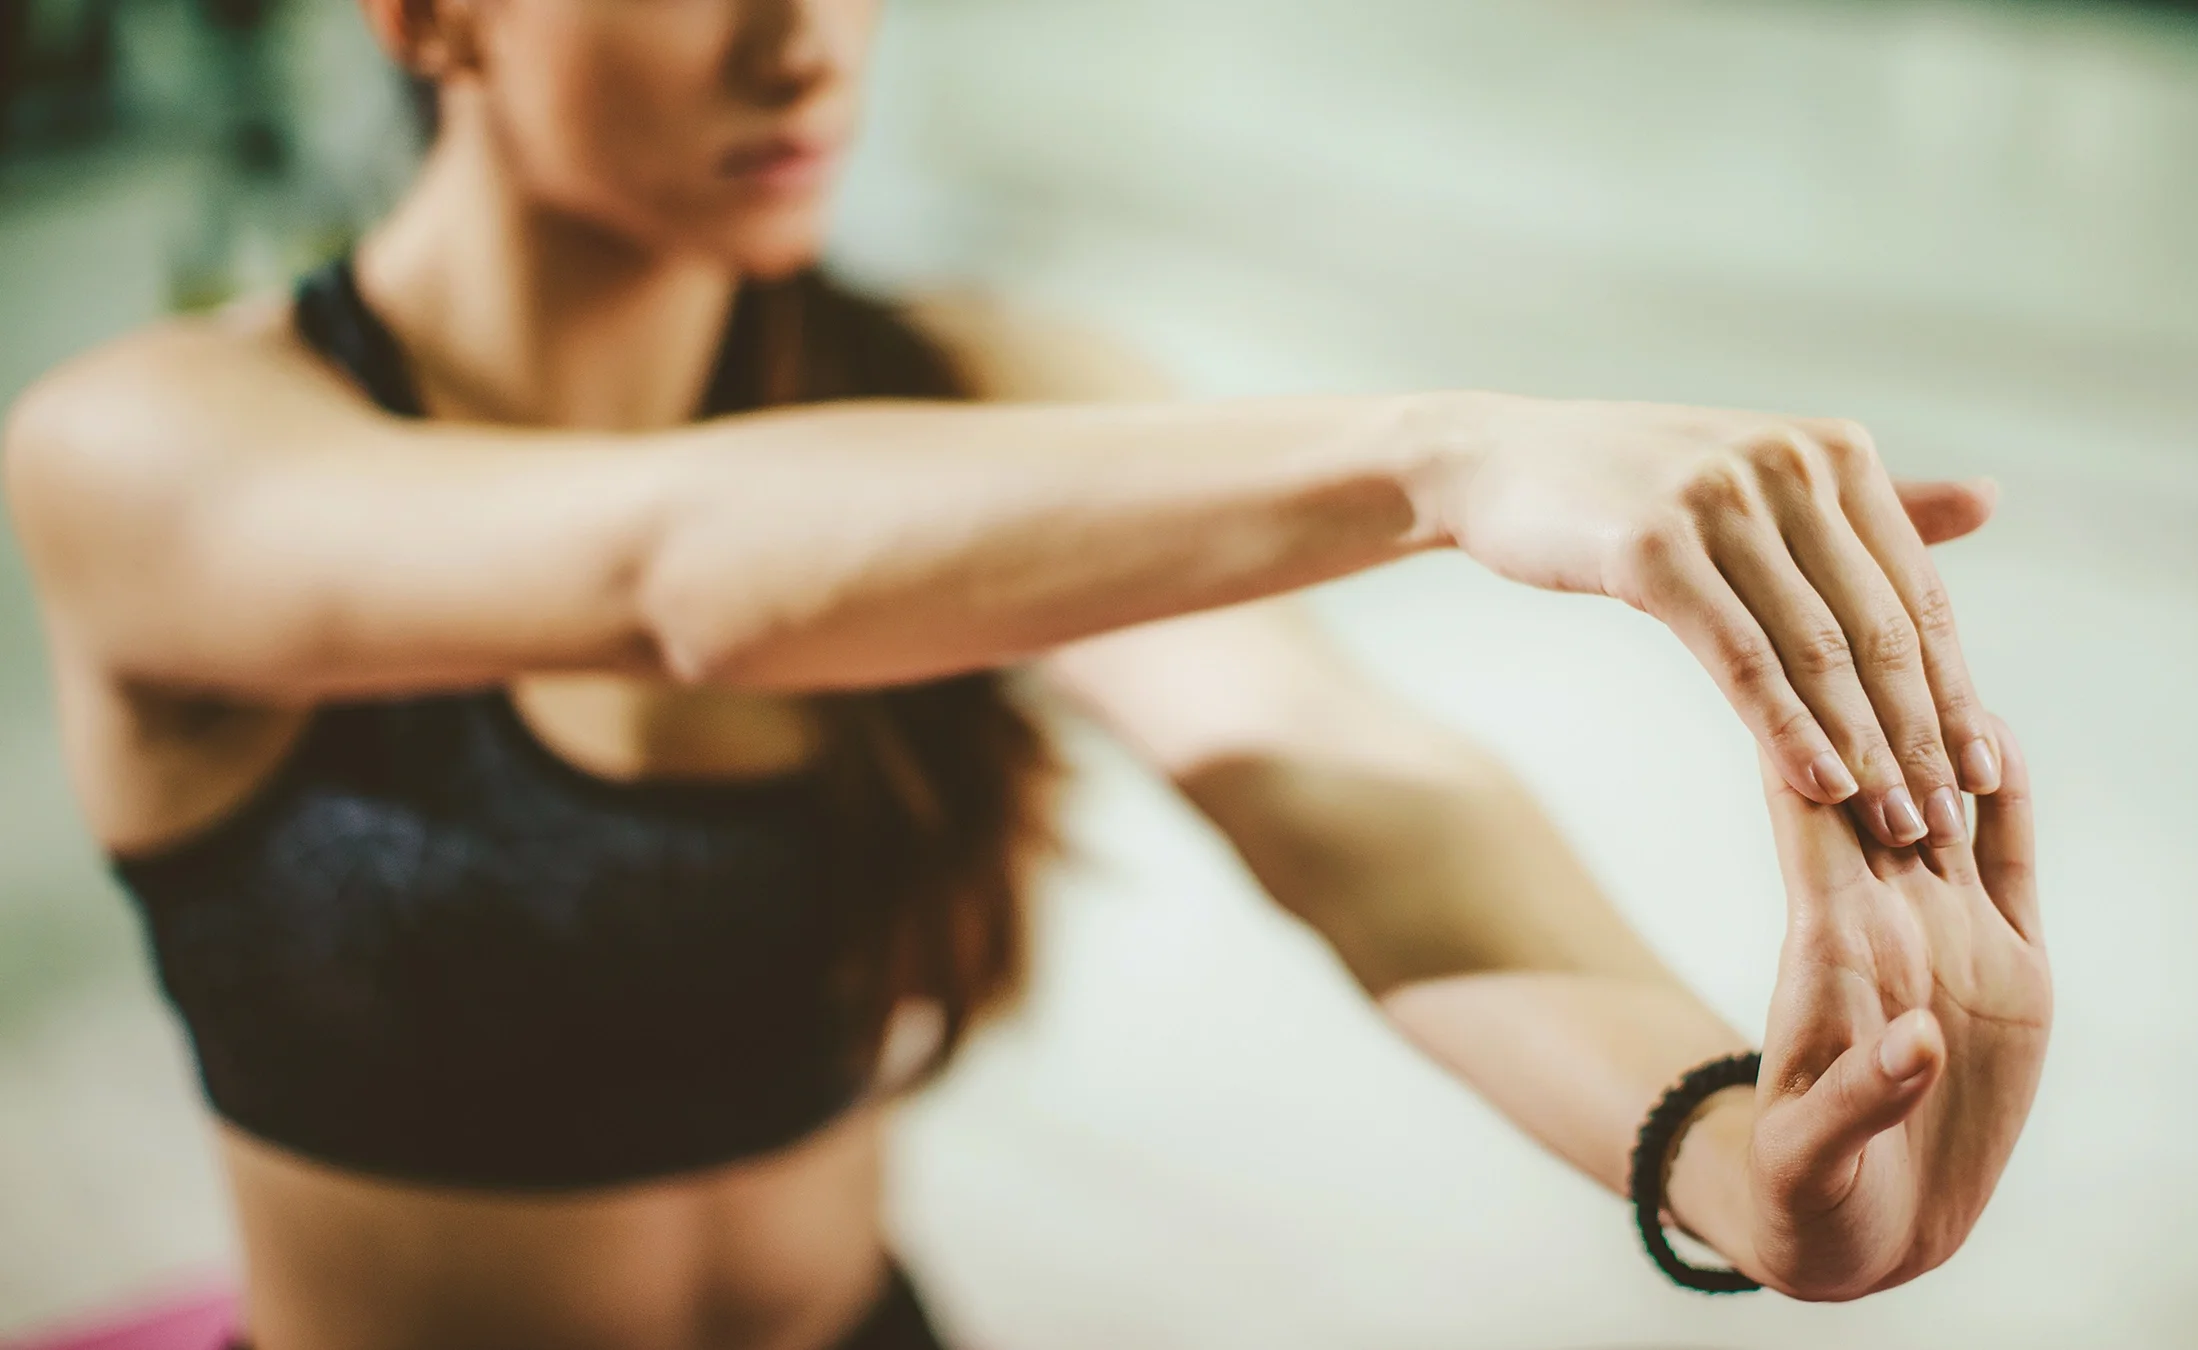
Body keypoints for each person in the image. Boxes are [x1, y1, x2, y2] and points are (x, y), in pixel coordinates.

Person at [0, 0, 2052, 1345]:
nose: (807, 43)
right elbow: (669, 568)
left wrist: (1718, 1145)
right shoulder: (150, 449)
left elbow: (1340, 787)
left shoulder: (969, 391)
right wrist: (1437, 451)